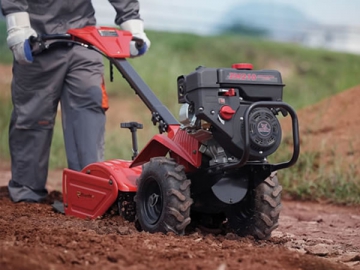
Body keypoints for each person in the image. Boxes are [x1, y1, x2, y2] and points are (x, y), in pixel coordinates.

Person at [0, 0, 151, 203]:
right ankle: (27, 193)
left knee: (89, 110)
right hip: (37, 39)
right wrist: (18, 27)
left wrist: (132, 25)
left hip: (83, 38)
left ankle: (88, 193)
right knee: (33, 116)